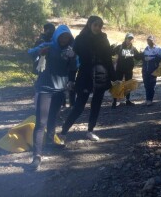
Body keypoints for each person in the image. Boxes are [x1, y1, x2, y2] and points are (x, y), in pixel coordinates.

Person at [27, 25, 77, 171]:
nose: (64, 39)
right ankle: (37, 156)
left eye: (67, 37)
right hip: (45, 88)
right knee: (41, 122)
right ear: (57, 36)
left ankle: (50, 141)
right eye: (62, 36)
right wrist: (39, 51)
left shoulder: (70, 51)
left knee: (53, 117)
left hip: (60, 90)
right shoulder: (48, 46)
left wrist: (72, 79)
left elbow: (74, 68)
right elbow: (30, 53)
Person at [60, 16, 115, 142]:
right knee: (79, 106)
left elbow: (108, 59)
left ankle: (90, 131)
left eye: (100, 26)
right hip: (85, 75)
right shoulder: (80, 39)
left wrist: (113, 77)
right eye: (95, 25)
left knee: (96, 105)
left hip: (101, 75)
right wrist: (71, 79)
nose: (97, 28)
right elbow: (73, 60)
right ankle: (64, 131)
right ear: (89, 24)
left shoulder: (103, 38)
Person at [111, 32, 142, 107]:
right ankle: (114, 101)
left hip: (128, 70)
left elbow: (137, 57)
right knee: (117, 85)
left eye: (131, 39)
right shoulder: (119, 47)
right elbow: (111, 53)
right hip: (119, 69)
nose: (130, 40)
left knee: (128, 85)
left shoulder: (133, 49)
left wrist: (142, 54)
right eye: (129, 38)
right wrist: (111, 47)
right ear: (125, 39)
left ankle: (127, 100)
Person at [142, 35, 161, 106]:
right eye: (148, 40)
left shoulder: (158, 49)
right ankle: (147, 99)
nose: (149, 41)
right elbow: (141, 58)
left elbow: (160, 59)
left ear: (154, 40)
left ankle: (150, 99)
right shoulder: (145, 49)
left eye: (151, 40)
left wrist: (152, 60)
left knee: (152, 85)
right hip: (145, 70)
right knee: (146, 84)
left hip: (153, 70)